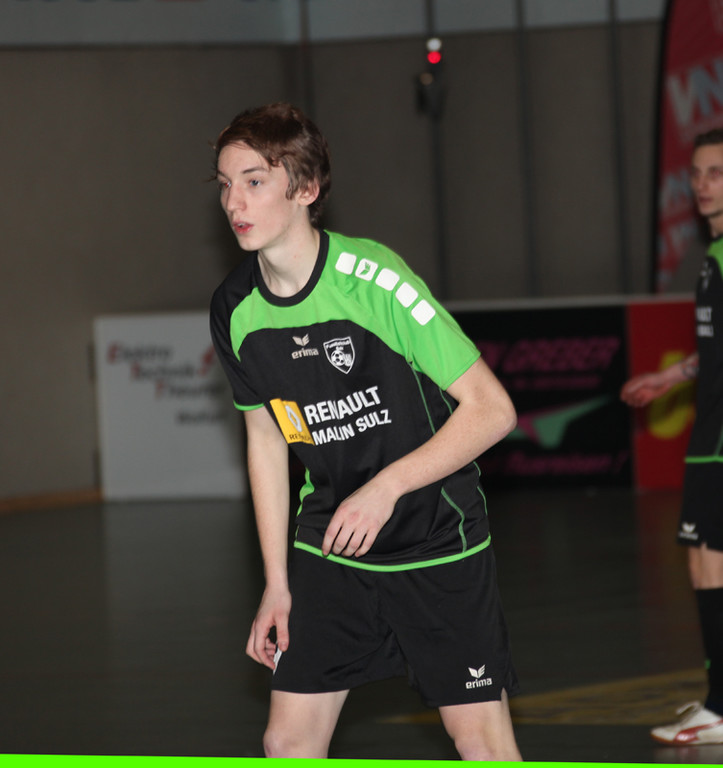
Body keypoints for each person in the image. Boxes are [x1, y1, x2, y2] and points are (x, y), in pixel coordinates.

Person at [209, 102, 522, 760]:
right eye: (225, 183)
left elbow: (493, 410)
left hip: (433, 537)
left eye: (254, 181)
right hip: (331, 545)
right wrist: (276, 583)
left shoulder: (375, 280)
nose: (234, 201)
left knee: (479, 740)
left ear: (305, 188)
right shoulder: (234, 309)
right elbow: (265, 440)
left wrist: (386, 488)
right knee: (286, 741)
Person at [621, 127, 723, 745]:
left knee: (710, 563)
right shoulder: (713, 257)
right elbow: (714, 353)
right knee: (704, 561)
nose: (702, 184)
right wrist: (670, 377)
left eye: (716, 173)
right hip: (710, 435)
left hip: (720, 443)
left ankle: (721, 707)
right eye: (697, 173)